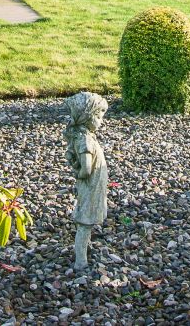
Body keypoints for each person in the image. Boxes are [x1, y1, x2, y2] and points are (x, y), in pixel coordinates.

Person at [65, 91, 108, 269]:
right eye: (98, 116)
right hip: (91, 186)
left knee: (87, 221)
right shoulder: (85, 141)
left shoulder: (82, 137)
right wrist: (81, 175)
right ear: (86, 117)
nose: (101, 121)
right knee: (85, 222)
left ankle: (85, 248)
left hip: (93, 186)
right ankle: (80, 260)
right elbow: (87, 167)